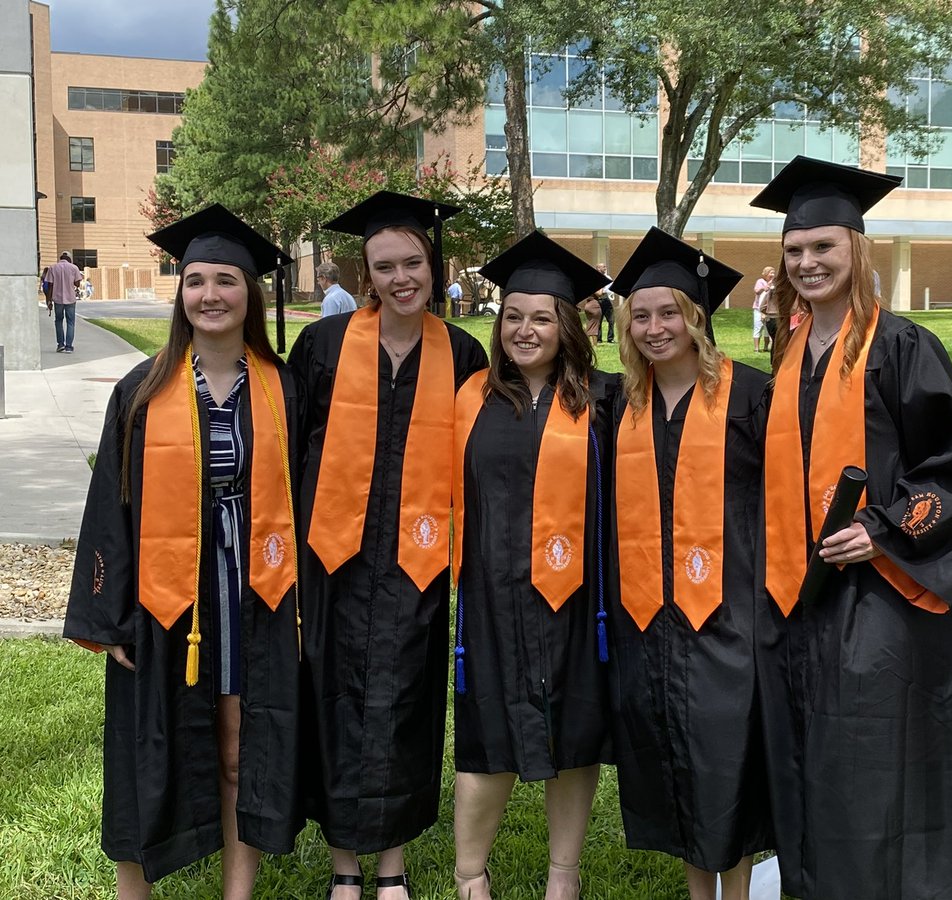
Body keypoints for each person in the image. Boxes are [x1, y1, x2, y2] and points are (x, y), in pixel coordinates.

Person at [749, 155, 952, 899]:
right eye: (795, 252)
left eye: (822, 247)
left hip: (881, 599)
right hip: (801, 597)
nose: (807, 262)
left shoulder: (899, 346)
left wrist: (884, 530)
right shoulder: (789, 357)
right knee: (816, 755)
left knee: (876, 759)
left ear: (855, 250)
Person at [62, 205, 304, 899]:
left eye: (226, 279)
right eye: (195, 280)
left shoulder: (283, 388)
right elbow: (109, 504)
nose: (209, 294)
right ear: (181, 295)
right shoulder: (140, 390)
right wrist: (107, 616)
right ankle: (132, 892)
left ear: (249, 294)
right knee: (145, 747)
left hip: (252, 591)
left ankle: (238, 893)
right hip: (164, 593)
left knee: (238, 749)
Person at [287, 191, 488, 900]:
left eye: (413, 263)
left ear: (434, 267)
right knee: (333, 699)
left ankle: (392, 866)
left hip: (417, 561)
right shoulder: (323, 345)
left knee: (404, 701)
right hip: (332, 560)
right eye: (385, 267)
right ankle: (346, 867)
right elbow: (289, 449)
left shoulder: (464, 353)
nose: (401, 278)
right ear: (366, 274)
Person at [607, 227, 772, 900]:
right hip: (647, 621)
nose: (654, 328)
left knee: (723, 760)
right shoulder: (619, 405)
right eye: (641, 315)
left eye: (669, 312)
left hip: (729, 616)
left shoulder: (754, 396)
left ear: (697, 317)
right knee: (671, 757)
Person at [451, 231, 616, 900]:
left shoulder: (606, 401)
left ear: (567, 324)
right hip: (491, 598)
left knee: (573, 737)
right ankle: (470, 875)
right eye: (513, 316)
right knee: (487, 737)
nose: (525, 330)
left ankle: (563, 877)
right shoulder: (471, 398)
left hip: (578, 597)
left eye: (542, 317)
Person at [46, 251, 83, 352]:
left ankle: (60, 344)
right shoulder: (74, 268)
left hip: (57, 299)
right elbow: (77, 284)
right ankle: (69, 346)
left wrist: (49, 301)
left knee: (58, 321)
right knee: (70, 322)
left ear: (60, 258)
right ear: (69, 259)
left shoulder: (52, 268)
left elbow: (50, 285)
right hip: (70, 299)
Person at [751, 266, 774, 353]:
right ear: (765, 274)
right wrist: (764, 287)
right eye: (770, 273)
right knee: (758, 327)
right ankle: (756, 348)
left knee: (767, 329)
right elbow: (757, 291)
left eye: (773, 273)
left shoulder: (773, 283)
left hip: (769, 310)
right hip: (758, 308)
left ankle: (766, 347)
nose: (772, 274)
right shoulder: (760, 281)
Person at [595, 262, 615, 342]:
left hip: (606, 300)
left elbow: (611, 287)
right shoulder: (595, 278)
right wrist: (603, 290)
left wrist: (603, 290)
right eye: (603, 267)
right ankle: (599, 339)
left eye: (605, 266)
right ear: (598, 268)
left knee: (611, 320)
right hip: (598, 301)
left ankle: (610, 338)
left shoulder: (608, 277)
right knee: (599, 321)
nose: (605, 268)